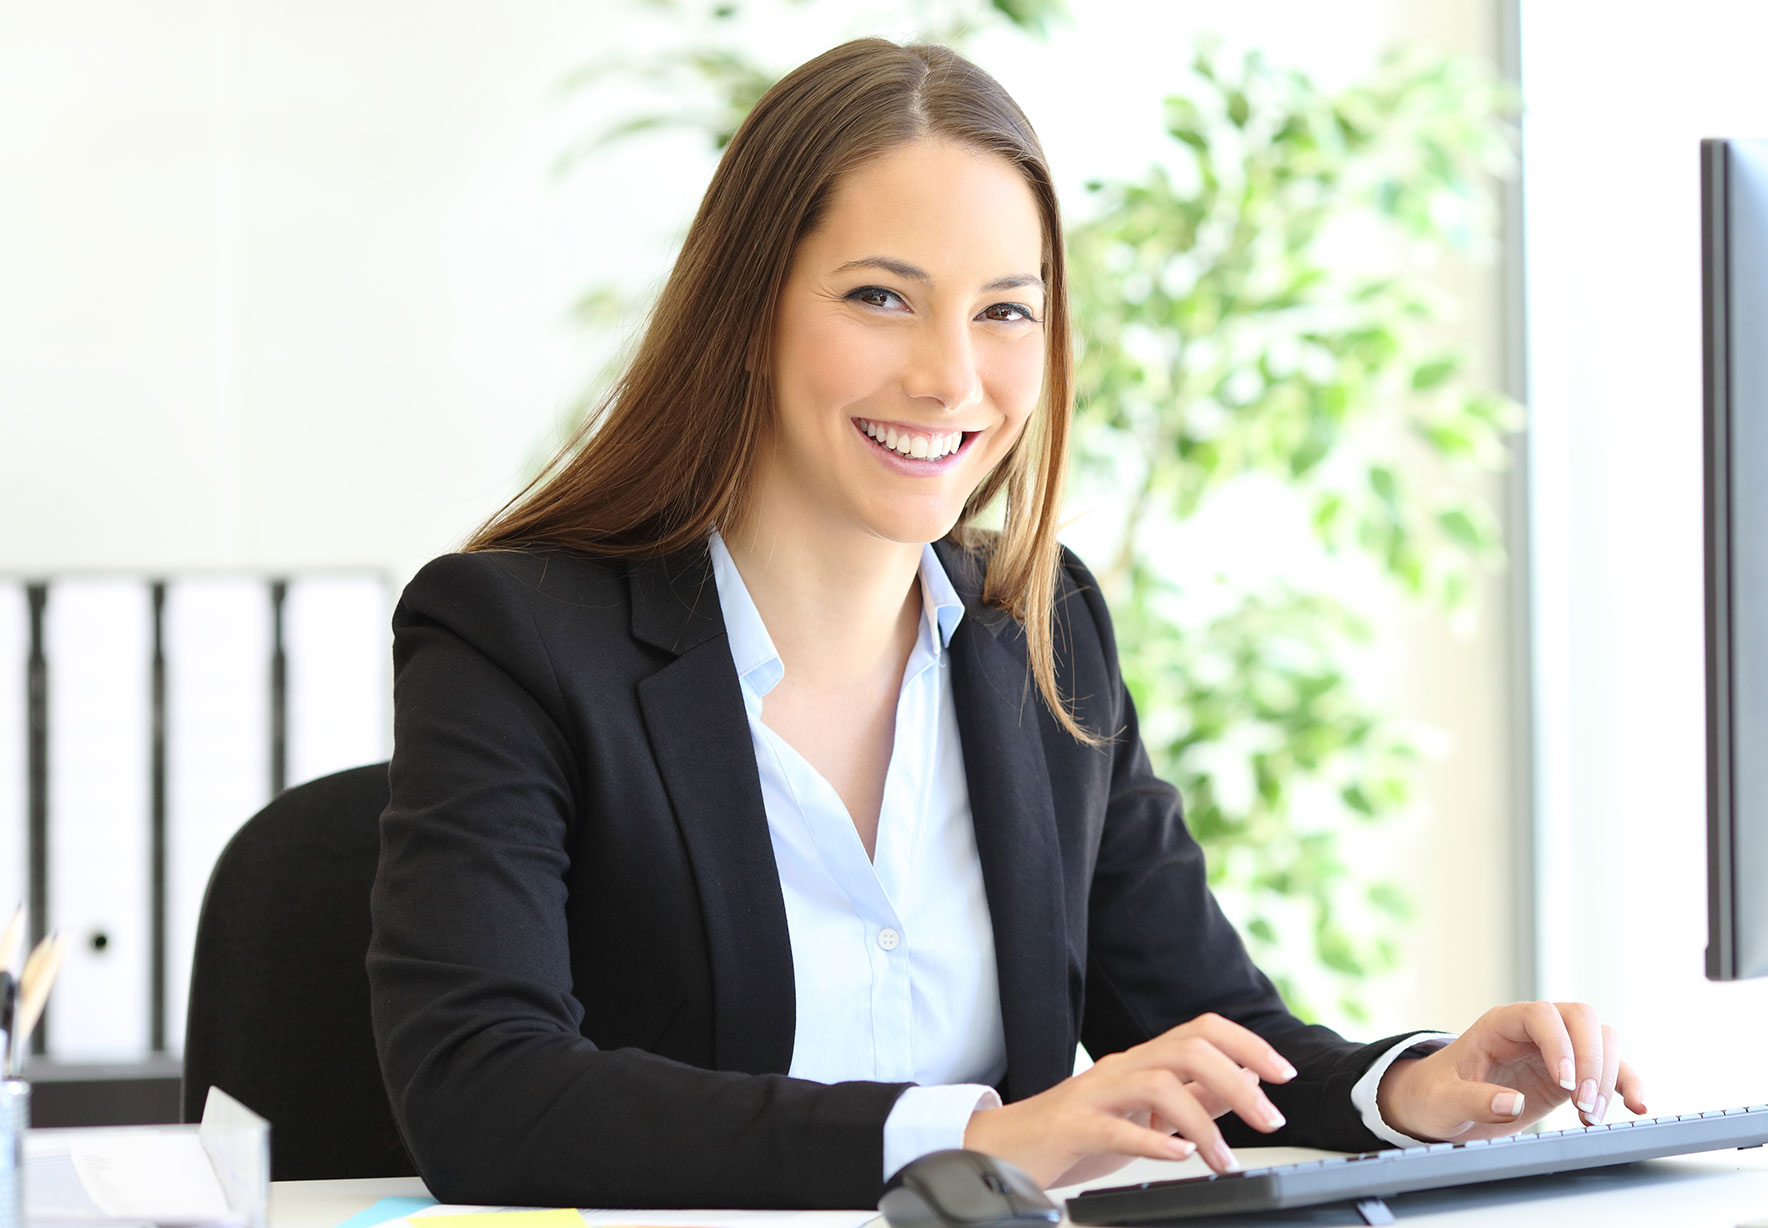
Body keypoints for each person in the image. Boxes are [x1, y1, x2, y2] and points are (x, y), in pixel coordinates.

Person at [367, 36, 1646, 1210]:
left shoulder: (1040, 628)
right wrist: (972, 1136)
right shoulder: (513, 636)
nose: (950, 378)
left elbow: (1207, 1027)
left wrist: (1413, 1088)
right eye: (880, 297)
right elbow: (484, 1091)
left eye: (1005, 310)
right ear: (749, 315)